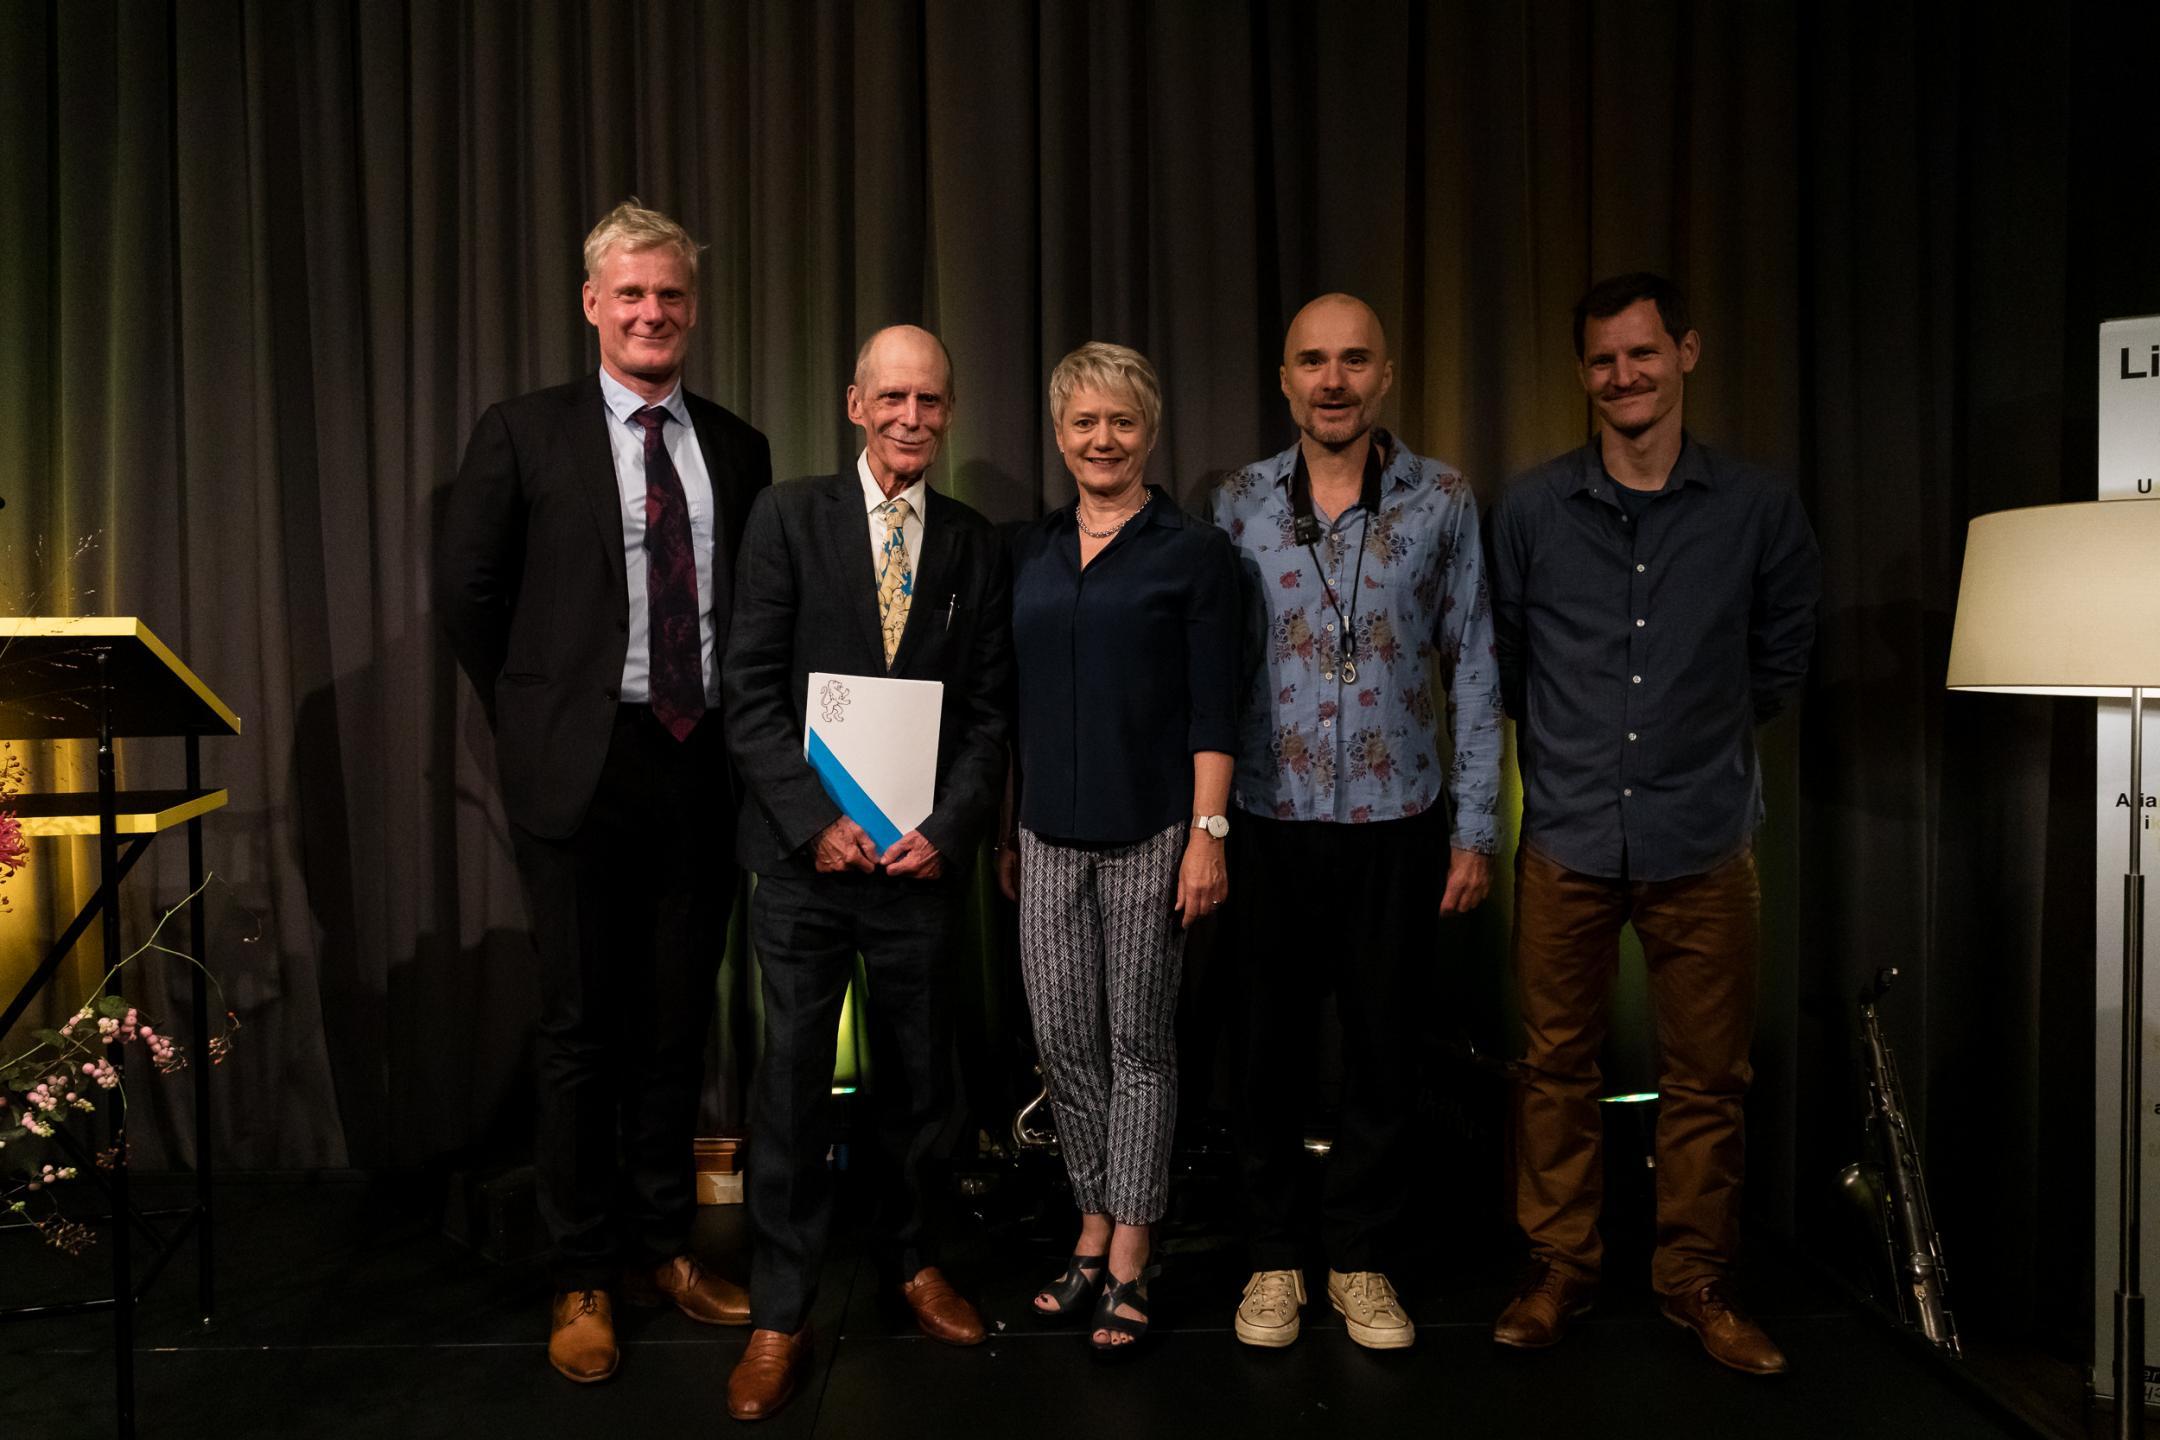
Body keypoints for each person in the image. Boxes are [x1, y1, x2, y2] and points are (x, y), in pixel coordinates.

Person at [436, 200, 770, 1384]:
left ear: (692, 307)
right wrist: (540, 718)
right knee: (583, 1031)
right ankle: (580, 1271)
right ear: (592, 305)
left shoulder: (735, 446)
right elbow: (472, 599)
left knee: (676, 1026)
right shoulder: (523, 433)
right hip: (581, 770)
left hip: (703, 766)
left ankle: (657, 1250)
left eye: (670, 295)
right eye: (630, 294)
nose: (651, 313)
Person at [1485, 273, 1820, 1376]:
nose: (1623, 375)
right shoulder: (1532, 509)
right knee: (1553, 1070)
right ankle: (1560, 1270)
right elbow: (1512, 663)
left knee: (1709, 1079)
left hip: (1704, 839)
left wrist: (1693, 747)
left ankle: (1695, 1282)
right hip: (1570, 836)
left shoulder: (1759, 508)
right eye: (1602, 360)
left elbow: (1778, 658)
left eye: (1642, 353)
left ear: (1687, 352)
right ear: (1582, 375)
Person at [718, 324, 1012, 1421]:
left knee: (921, 1089)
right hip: (806, 869)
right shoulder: (790, 518)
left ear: (948, 410)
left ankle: (914, 1261)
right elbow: (747, 690)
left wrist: (951, 824)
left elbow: (987, 714)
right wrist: (810, 822)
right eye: (893, 398)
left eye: (931, 402)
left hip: (917, 867)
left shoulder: (975, 546)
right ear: (854, 404)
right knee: (791, 1087)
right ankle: (780, 1311)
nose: (912, 420)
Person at [1209, 294, 1503, 1351]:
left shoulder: (1445, 498)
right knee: (1264, 1054)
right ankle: (1275, 1261)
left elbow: (1472, 663)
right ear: (1283, 379)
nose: (1332, 380)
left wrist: (1476, 829)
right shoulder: (1234, 503)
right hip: (1266, 819)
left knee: (1385, 1052)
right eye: (1311, 362)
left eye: (1354, 361)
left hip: (1399, 819)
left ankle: (1363, 1259)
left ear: (1385, 377)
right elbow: (1208, 676)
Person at [998, 342, 1239, 1352]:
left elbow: (1218, 707)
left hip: (1153, 836)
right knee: (1065, 1047)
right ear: (1060, 435)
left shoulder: (1196, 555)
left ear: (1150, 432)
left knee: (1140, 1047)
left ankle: (1129, 1247)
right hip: (1045, 835)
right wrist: (1007, 827)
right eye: (1085, 423)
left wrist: (1208, 836)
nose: (1104, 439)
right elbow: (1008, 703)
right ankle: (1091, 1217)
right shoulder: (1033, 550)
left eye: (1123, 422)